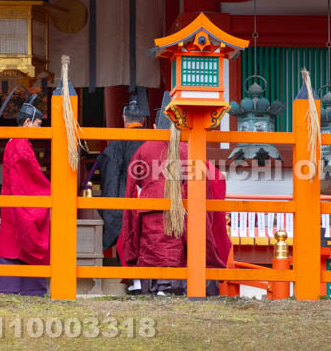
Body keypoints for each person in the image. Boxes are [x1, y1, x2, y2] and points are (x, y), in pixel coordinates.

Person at [117, 96, 231, 296]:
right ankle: (172, 287)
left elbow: (132, 184)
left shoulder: (144, 149)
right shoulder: (187, 148)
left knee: (153, 248)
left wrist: (133, 210)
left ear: (154, 126)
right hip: (180, 207)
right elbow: (211, 178)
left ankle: (155, 287)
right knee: (174, 249)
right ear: (181, 127)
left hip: (149, 208)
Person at [0, 94, 50, 296]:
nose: (40, 129)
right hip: (18, 201)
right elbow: (31, 178)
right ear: (27, 122)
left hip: (13, 200)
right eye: (38, 124)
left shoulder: (15, 142)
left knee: (13, 243)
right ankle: (26, 288)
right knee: (18, 242)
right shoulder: (21, 145)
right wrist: (51, 189)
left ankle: (11, 288)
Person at [94, 90, 148, 293]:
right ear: (143, 119)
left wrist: (113, 206)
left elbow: (110, 177)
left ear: (124, 118)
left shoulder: (116, 143)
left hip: (125, 198)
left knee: (127, 237)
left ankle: (133, 282)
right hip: (151, 199)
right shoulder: (155, 139)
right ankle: (152, 282)